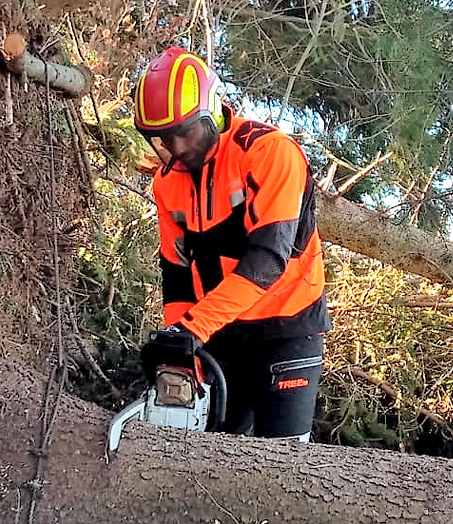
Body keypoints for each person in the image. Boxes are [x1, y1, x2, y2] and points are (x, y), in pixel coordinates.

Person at [133, 47, 331, 441]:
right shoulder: (167, 182)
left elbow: (268, 259)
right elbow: (176, 272)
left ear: (212, 112)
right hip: (220, 331)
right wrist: (180, 342)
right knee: (205, 446)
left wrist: (194, 328)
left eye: (185, 133)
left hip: (286, 328)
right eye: (163, 140)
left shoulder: (269, 153)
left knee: (285, 460)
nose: (178, 149)